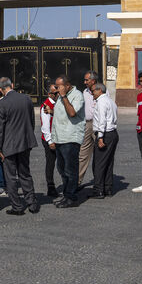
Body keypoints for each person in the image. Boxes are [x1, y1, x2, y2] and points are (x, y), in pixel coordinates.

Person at [0, 77, 39, 215]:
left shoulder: (1, 104)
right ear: (12, 85)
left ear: (0, 89)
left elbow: (0, 129)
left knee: (11, 176)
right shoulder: (26, 99)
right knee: (25, 173)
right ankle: (31, 202)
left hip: (9, 144)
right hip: (25, 141)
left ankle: (17, 205)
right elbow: (31, 121)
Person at [48, 75, 85, 208]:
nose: (57, 89)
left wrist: (63, 97)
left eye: (59, 86)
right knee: (62, 168)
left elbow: (72, 113)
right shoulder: (60, 97)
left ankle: (72, 198)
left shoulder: (77, 95)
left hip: (70, 138)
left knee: (70, 169)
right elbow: (62, 114)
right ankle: (66, 194)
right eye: (56, 86)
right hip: (60, 138)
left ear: (67, 85)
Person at [90, 82, 119, 198]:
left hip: (105, 134)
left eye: (93, 91)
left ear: (99, 90)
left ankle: (99, 190)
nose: (92, 94)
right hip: (113, 134)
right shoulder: (110, 101)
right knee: (108, 162)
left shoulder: (101, 102)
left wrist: (100, 137)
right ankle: (108, 188)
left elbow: (102, 120)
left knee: (99, 163)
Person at [77, 70, 98, 188]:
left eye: (87, 80)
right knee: (83, 154)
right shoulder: (84, 92)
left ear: (93, 81)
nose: (84, 82)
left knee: (99, 155)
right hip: (86, 124)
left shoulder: (102, 91)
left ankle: (99, 182)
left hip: (97, 124)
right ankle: (77, 181)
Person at [39, 87, 61, 197]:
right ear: (49, 94)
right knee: (51, 162)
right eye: (55, 93)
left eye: (58, 92)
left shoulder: (59, 103)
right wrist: (50, 141)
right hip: (50, 139)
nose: (58, 94)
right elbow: (45, 125)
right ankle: (50, 186)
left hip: (60, 137)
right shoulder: (46, 105)